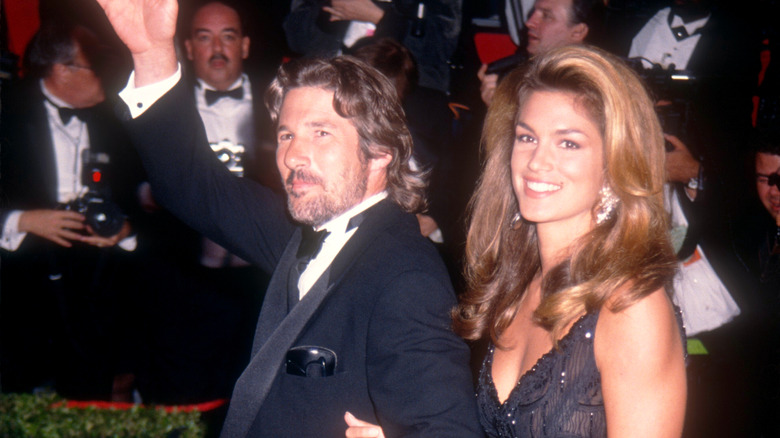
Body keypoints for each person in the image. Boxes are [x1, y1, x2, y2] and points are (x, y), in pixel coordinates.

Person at [95, 0, 482, 436]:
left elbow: (449, 428)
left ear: (379, 154)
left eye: (321, 132)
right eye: (286, 135)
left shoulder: (407, 277)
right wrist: (151, 53)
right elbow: (189, 182)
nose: (294, 155)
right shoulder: (299, 232)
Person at [346, 45, 687, 437]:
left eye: (568, 143)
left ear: (614, 162)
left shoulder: (631, 307)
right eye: (527, 138)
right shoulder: (512, 285)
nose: (537, 161)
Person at [0, 22, 141, 399]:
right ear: (62, 70)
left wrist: (125, 230)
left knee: (89, 392)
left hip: (95, 279)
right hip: (19, 279)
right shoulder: (6, 108)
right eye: (96, 67)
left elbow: (145, 193)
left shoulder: (116, 115)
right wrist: (23, 220)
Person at [476, 0, 595, 106]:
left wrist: (503, 113)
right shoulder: (529, 70)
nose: (529, 22)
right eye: (533, 12)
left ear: (578, 32)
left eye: (546, 16)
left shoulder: (587, 90)